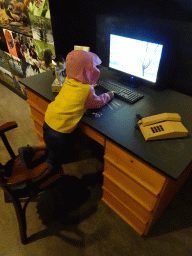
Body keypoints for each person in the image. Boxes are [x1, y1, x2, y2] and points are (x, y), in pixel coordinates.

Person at [18, 50, 114, 171]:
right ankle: (45, 170)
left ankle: (30, 149)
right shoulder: (86, 91)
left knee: (50, 143)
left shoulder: (69, 80)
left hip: (49, 120)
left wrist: (89, 87)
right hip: (60, 131)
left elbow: (78, 88)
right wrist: (109, 95)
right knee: (54, 157)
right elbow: (97, 102)